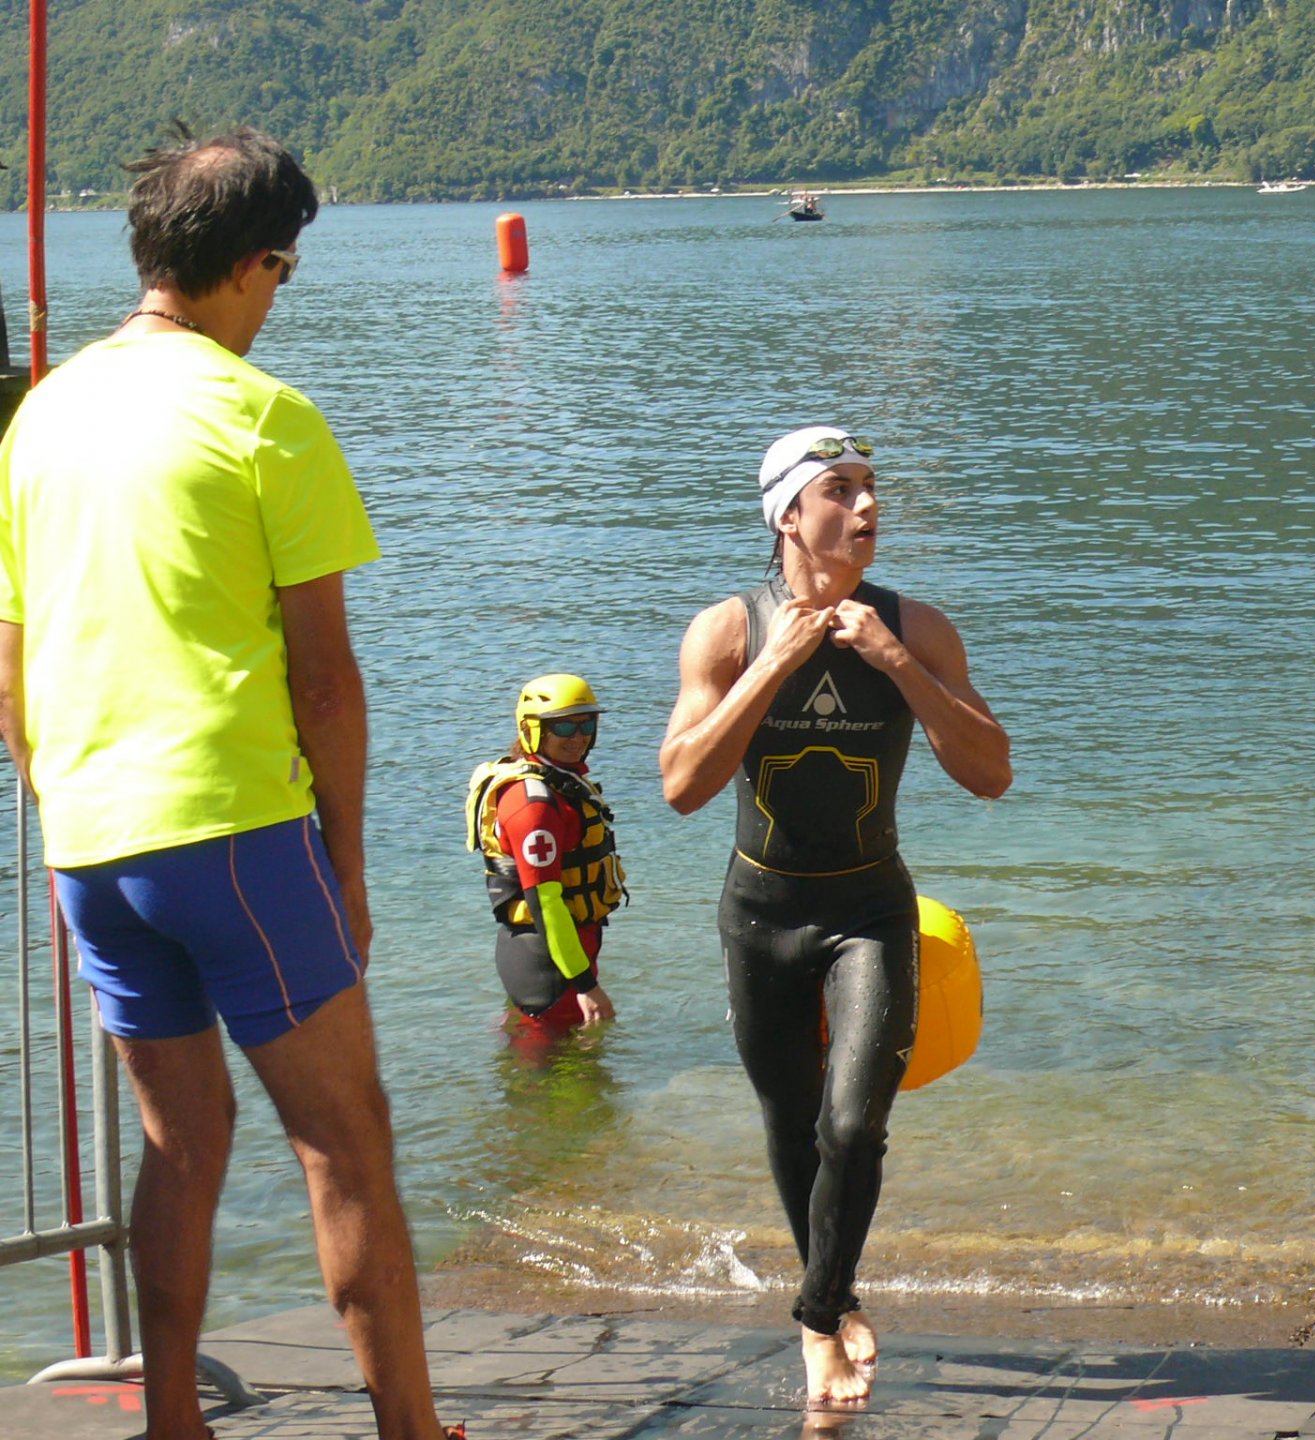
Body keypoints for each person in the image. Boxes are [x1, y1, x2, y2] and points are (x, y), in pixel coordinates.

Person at [0, 128, 455, 1439]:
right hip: (237, 831)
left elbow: (13, 663)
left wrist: (63, 809)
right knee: (344, 1140)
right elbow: (326, 684)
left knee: (180, 1145)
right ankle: (413, 1431)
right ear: (255, 265)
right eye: (285, 272)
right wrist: (349, 870)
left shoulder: (42, 415)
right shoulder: (265, 418)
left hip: (89, 838)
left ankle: (173, 1427)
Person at [660, 426, 1011, 1404]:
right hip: (762, 913)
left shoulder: (919, 627)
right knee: (791, 1121)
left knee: (853, 1126)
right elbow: (682, 786)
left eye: (870, 487)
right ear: (788, 515)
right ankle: (839, 1293)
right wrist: (775, 665)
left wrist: (898, 664)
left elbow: (991, 773)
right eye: (840, 491)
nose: (867, 507)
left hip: (869, 907)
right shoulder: (726, 630)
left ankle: (816, 1319)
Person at [466, 673, 626, 1036]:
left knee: (561, 1073)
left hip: (563, 956)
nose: (579, 736)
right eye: (564, 727)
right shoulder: (533, 806)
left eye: (587, 723)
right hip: (548, 966)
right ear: (532, 730)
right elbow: (546, 903)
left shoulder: (561, 783)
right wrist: (586, 985)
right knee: (553, 1077)